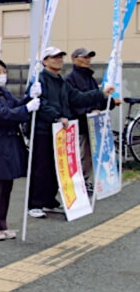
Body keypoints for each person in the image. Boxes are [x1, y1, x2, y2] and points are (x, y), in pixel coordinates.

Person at [27, 47, 114, 218]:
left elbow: (77, 98)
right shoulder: (39, 80)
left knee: (56, 167)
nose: (59, 60)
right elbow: (39, 103)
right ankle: (35, 203)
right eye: (54, 57)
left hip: (59, 131)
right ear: (45, 61)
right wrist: (57, 116)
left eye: (60, 57)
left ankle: (49, 201)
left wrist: (101, 93)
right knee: (41, 167)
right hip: (43, 130)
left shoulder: (61, 81)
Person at [0, 58, 41, 240]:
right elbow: (4, 116)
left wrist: (30, 96)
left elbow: (16, 106)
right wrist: (27, 108)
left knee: (6, 188)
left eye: (4, 71)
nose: (3, 75)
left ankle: (1, 225)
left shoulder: (3, 93)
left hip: (7, 148)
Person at [64, 48, 120, 193]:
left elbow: (97, 99)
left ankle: (85, 181)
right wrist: (87, 112)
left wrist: (111, 102)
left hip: (93, 123)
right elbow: (72, 102)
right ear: (74, 59)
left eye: (89, 57)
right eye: (85, 57)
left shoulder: (90, 78)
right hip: (80, 123)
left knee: (89, 155)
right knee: (80, 154)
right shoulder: (70, 79)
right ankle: (76, 184)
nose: (88, 59)